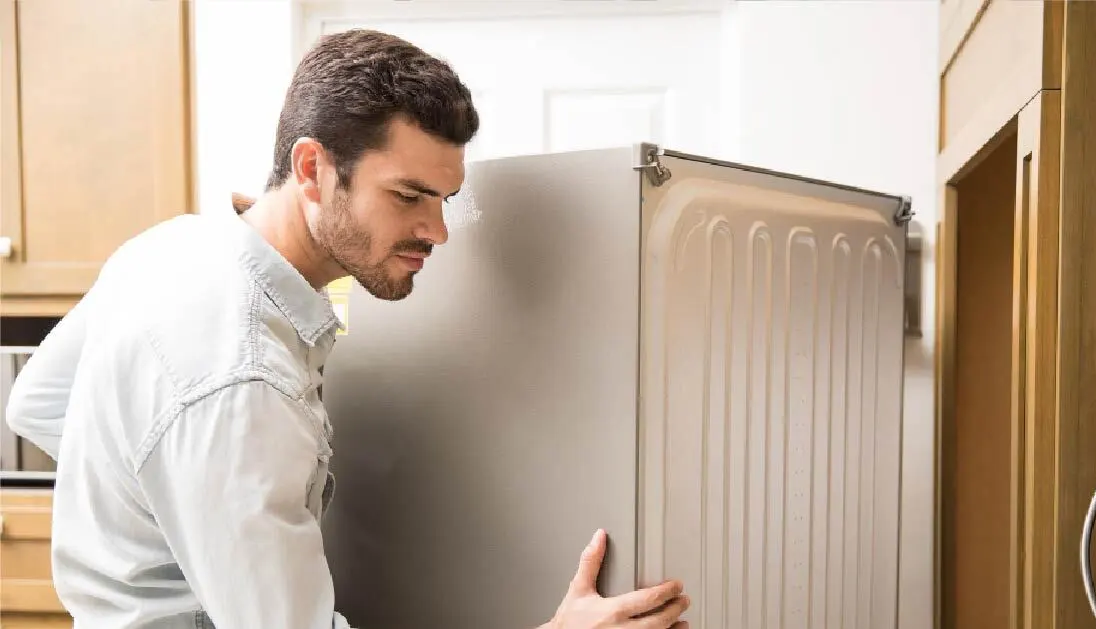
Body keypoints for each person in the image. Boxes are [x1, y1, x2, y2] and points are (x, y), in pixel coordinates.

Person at [4, 29, 690, 629]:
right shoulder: (243, 379)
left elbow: (33, 401)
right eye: (407, 196)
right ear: (312, 169)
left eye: (444, 198)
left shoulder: (174, 244)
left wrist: (175, 503)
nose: (438, 230)